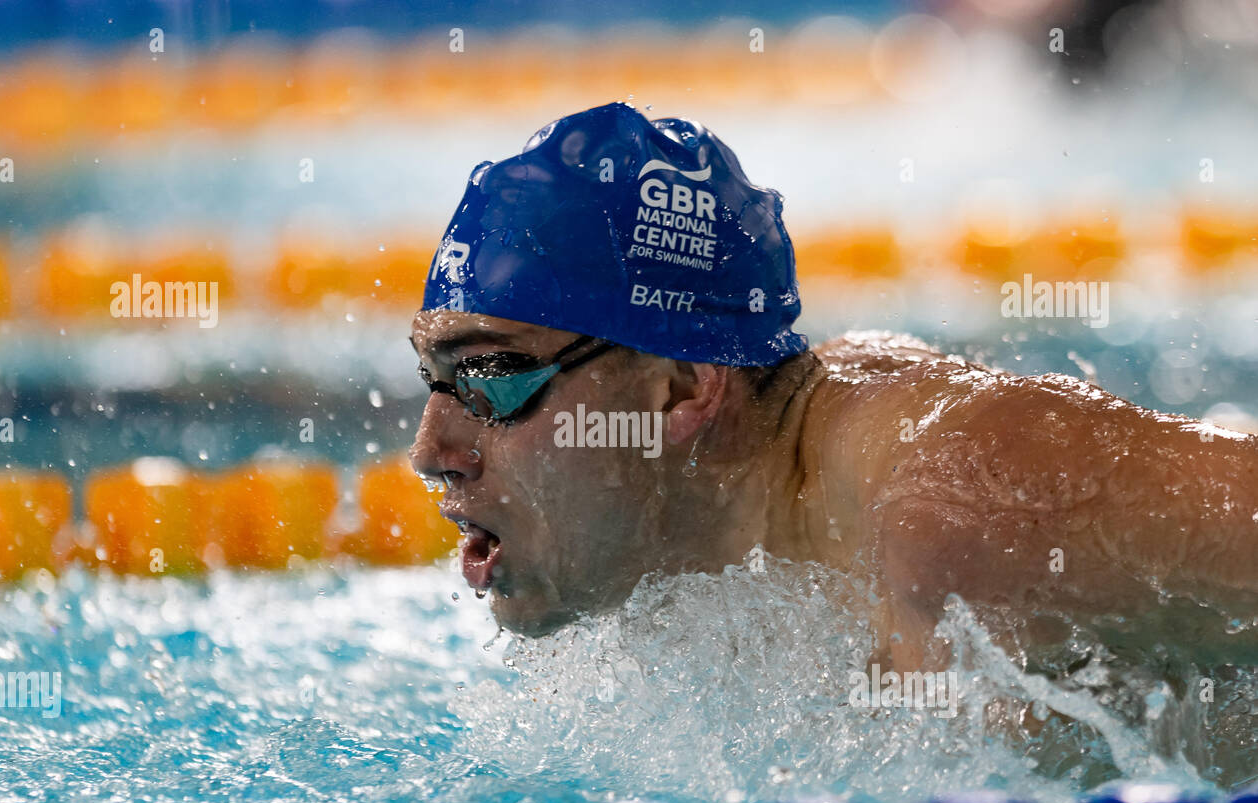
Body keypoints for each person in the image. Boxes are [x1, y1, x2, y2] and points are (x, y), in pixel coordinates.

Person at [410, 102, 1258, 671]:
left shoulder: (964, 505)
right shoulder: (746, 514)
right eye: (435, 380)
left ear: (679, 392)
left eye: (490, 378)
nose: (429, 453)